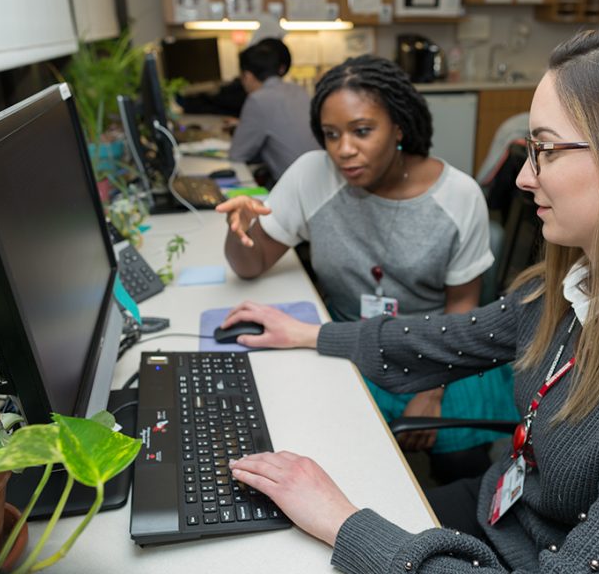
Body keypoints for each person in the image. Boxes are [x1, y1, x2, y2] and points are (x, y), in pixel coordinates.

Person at [223, 27, 599, 573]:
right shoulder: (582, 291)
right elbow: (453, 335)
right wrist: (308, 334)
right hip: (504, 520)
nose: (526, 178)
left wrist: (343, 523)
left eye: (548, 151)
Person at [217, 54, 518, 483]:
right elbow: (250, 266)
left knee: (460, 466)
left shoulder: (458, 196)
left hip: (439, 349)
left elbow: (464, 305)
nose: (343, 149)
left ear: (398, 126)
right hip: (348, 341)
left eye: (362, 131)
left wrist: (430, 393)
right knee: (332, 457)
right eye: (330, 134)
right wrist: (239, 231)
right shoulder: (311, 175)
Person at [228, 38, 319, 180]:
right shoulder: (299, 90)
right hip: (320, 178)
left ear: (247, 76)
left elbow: (237, 154)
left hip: (297, 188)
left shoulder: (257, 99)